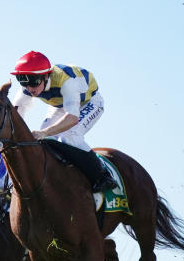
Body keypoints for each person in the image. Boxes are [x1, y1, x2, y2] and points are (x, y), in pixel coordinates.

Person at [10, 51, 115, 192]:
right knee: (43, 141)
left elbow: (72, 118)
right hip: (60, 105)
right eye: (23, 81)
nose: (29, 88)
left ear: (46, 75)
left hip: (89, 103)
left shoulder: (67, 81)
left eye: (34, 82)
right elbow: (15, 114)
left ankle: (103, 176)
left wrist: (43, 132)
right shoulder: (29, 86)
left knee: (69, 135)